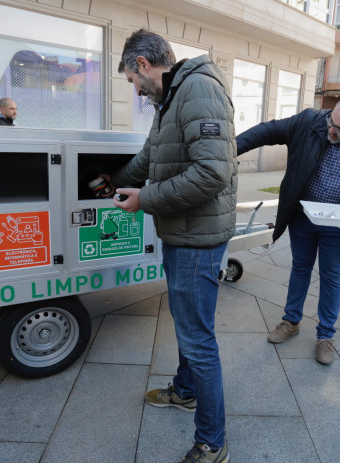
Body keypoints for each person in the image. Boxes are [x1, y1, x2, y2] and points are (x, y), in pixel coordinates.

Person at [105, 29, 236, 463]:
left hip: (198, 239)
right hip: (183, 232)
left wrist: (146, 199)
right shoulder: (171, 97)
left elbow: (211, 174)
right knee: (187, 325)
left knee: (198, 340)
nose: (135, 89)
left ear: (143, 64)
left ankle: (212, 442)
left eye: (130, 79)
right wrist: (113, 181)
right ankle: (184, 392)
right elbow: (151, 157)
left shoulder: (198, 89)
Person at [236, 95, 340, 365]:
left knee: (331, 275)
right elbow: (266, 131)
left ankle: (326, 336)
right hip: (303, 217)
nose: (331, 130)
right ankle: (291, 321)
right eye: (331, 122)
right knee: (300, 267)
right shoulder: (311, 122)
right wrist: (230, 148)